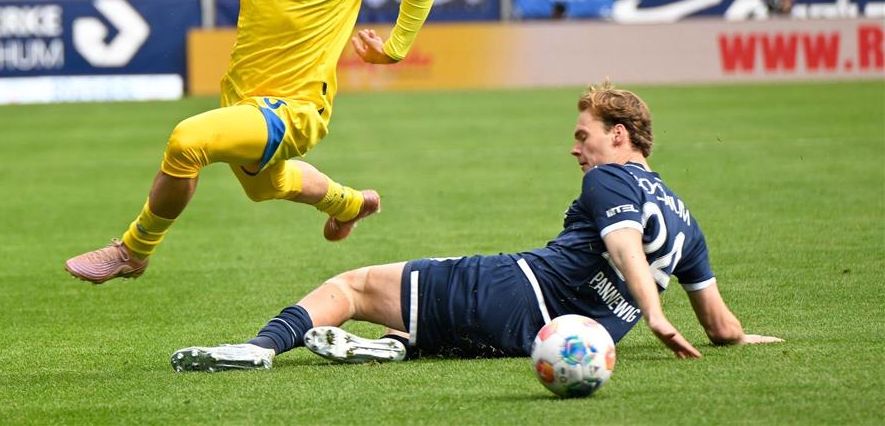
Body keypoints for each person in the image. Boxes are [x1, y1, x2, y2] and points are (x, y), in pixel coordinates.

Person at [170, 81, 783, 372]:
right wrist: (746, 339)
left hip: (515, 291)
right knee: (428, 317)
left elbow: (623, 244)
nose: (577, 149)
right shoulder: (686, 220)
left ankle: (257, 349)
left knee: (352, 286)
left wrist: (653, 313)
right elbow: (722, 326)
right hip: (554, 337)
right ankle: (393, 346)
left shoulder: (608, 180)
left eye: (584, 135)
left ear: (618, 136)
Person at [63, 0, 440, 283]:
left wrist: (395, 49)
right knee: (268, 186)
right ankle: (350, 204)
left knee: (187, 142)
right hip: (243, 90)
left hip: (299, 106)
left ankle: (133, 250)